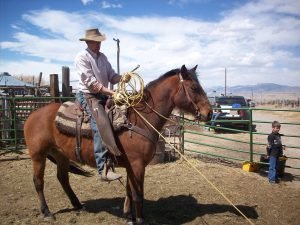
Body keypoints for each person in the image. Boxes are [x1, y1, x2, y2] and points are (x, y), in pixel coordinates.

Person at [75, 28, 130, 182]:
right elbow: (92, 84)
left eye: (99, 41)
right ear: (87, 42)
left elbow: (112, 76)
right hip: (89, 95)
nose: (98, 44)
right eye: (95, 41)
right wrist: (112, 94)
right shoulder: (82, 57)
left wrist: (122, 78)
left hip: (103, 95)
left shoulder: (103, 57)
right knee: (100, 124)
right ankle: (103, 168)